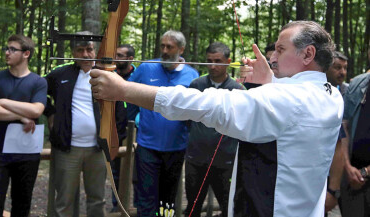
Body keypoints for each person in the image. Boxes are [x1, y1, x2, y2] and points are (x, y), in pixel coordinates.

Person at [89, 20, 343, 217]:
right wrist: (271, 81)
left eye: (280, 49)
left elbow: (207, 104)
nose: (272, 57)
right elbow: (289, 109)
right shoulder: (331, 95)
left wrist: (123, 90)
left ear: (308, 54)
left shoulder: (289, 100)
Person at [126, 30, 199, 216]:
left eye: (170, 47)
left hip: (176, 147)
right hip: (147, 146)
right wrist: (126, 123)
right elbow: (128, 96)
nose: (164, 50)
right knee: (146, 197)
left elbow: (196, 110)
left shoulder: (192, 75)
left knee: (168, 200)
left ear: (181, 49)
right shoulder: (146, 68)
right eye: (162, 46)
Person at [0, 34, 47, 217]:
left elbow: (36, 111)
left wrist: (2, 101)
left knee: (22, 203)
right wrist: (21, 116)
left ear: (26, 54)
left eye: (12, 49)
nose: (7, 53)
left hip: (26, 152)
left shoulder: (38, 82)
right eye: (6, 48)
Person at [44, 31, 106, 217]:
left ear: (96, 51)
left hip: (97, 149)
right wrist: (51, 113)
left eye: (89, 49)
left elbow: (120, 108)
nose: (86, 54)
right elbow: (38, 91)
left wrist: (115, 136)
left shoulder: (107, 75)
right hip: (66, 149)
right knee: (64, 200)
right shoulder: (60, 74)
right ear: (73, 52)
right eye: (80, 50)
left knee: (97, 199)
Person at [184, 42, 244, 217]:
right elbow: (187, 118)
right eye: (209, 61)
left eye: (217, 61)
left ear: (228, 61)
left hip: (225, 161)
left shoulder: (238, 89)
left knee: (228, 208)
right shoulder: (196, 85)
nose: (212, 66)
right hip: (196, 158)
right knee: (192, 207)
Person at [339, 51, 370, 217]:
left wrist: (366, 172)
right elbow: (344, 126)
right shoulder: (358, 85)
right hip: (352, 179)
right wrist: (347, 166)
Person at [111, 44, 136, 212]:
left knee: (137, 172)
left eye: (120, 56)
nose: (116, 58)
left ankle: (137, 206)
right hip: (115, 131)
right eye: (115, 55)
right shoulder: (110, 75)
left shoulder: (138, 75)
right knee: (116, 172)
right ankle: (117, 206)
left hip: (136, 131)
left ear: (130, 59)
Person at [325, 51, 349, 216]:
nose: (342, 72)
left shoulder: (351, 92)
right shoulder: (320, 94)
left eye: (345, 68)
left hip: (347, 172)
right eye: (337, 67)